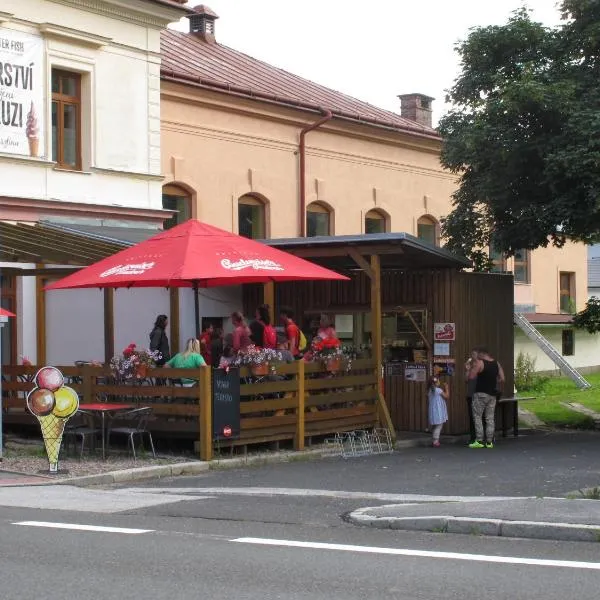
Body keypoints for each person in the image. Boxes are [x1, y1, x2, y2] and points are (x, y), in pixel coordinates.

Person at [468, 347, 505, 449]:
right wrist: (493, 380)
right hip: (492, 395)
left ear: (482, 354)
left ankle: (479, 440)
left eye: (478, 354)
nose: (477, 356)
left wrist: (470, 368)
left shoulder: (480, 363)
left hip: (480, 394)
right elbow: (502, 378)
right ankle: (489, 442)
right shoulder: (496, 363)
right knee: (490, 418)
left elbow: (471, 377)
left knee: (478, 417)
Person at [428, 376, 449, 447]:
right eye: (438, 381)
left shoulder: (430, 390)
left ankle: (433, 440)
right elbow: (446, 396)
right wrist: (446, 388)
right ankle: (435, 441)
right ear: (436, 383)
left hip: (433, 410)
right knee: (439, 425)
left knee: (435, 425)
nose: (440, 382)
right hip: (438, 410)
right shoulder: (438, 390)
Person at [464, 350, 479, 444]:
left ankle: (481, 437)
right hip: (470, 395)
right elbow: (465, 380)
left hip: (479, 396)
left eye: (475, 354)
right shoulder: (470, 367)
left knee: (480, 417)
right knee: (472, 417)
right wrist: (467, 370)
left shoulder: (481, 366)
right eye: (472, 354)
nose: (473, 356)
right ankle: (473, 437)